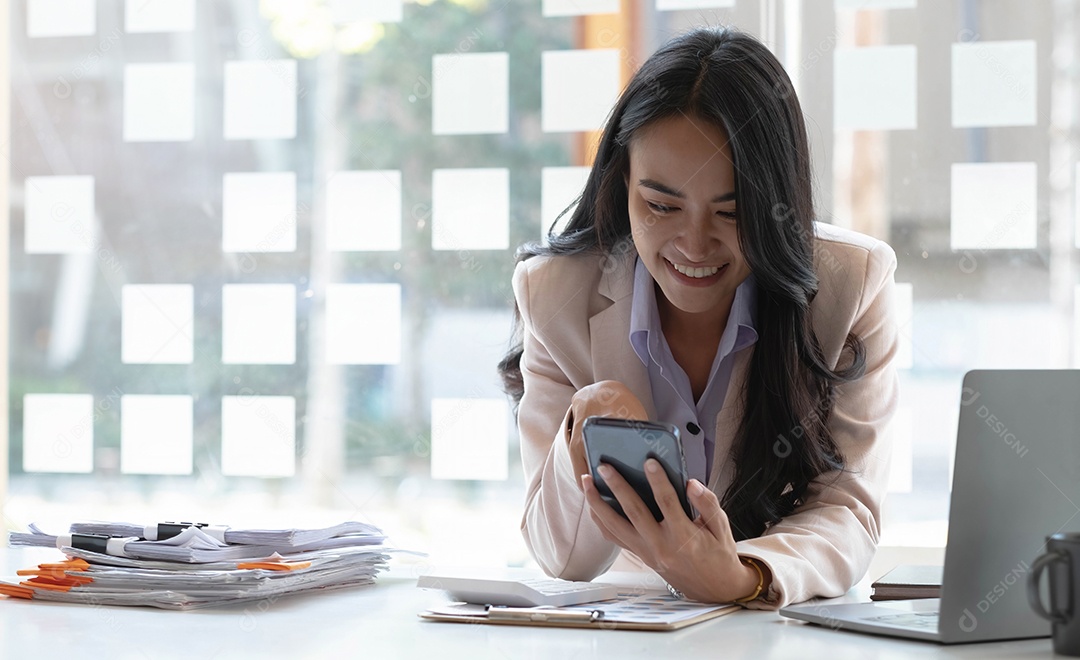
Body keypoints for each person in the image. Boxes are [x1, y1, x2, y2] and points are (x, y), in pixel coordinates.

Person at [498, 26, 898, 609]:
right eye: (660, 205)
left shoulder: (851, 285)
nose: (693, 244)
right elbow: (565, 561)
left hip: (773, 630)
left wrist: (742, 576)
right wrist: (586, 424)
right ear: (621, 184)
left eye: (732, 213)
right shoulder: (556, 293)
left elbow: (847, 508)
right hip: (626, 631)